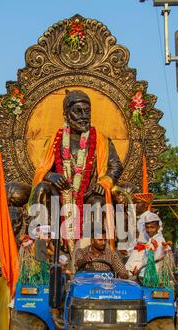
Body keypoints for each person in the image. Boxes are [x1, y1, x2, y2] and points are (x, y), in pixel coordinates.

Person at [31, 90, 123, 254]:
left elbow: (115, 165)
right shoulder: (55, 140)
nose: (84, 116)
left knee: (97, 201)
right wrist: (50, 175)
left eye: (87, 111)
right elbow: (41, 169)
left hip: (87, 194)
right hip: (60, 196)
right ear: (66, 114)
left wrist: (104, 182)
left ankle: (93, 255)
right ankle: (42, 251)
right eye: (78, 111)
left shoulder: (100, 139)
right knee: (41, 189)